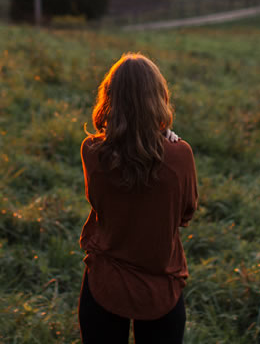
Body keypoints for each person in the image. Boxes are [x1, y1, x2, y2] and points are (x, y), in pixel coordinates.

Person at [78, 53, 199, 344]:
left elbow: (98, 203)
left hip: (106, 283)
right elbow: (186, 214)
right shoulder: (180, 154)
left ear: (110, 98)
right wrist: (166, 137)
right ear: (157, 97)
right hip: (161, 287)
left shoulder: (93, 152)